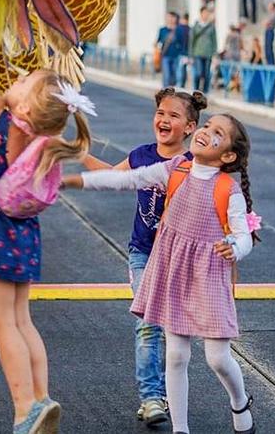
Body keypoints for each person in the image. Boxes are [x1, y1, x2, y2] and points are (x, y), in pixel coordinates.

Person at [0, 0, 92, 434]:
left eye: (29, 81)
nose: (22, 77)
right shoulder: (44, 147)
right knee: (23, 320)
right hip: (22, 241)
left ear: (27, 107)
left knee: (1, 326)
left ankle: (24, 409)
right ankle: (42, 396)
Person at [65, 113, 258, 434]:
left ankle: (240, 403)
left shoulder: (228, 190)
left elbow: (243, 235)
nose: (207, 131)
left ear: (227, 155)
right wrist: (77, 181)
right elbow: (128, 179)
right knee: (177, 354)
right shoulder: (175, 170)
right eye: (207, 125)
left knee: (218, 358)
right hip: (173, 272)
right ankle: (180, 429)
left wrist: (235, 248)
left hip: (208, 276)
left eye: (218, 133)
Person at [81, 88, 204, 427]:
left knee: (175, 330)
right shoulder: (141, 155)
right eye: (161, 113)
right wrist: (80, 154)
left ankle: (166, 392)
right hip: (144, 252)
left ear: (190, 127)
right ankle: (151, 397)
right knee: (148, 326)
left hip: (180, 256)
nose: (164, 120)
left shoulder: (195, 165)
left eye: (173, 116)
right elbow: (113, 177)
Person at [189, 7, 216, 93]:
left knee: (207, 74)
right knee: (198, 73)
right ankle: (196, 90)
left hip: (208, 53)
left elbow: (214, 41)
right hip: (197, 53)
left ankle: (205, 91)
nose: (206, 15)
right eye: (204, 13)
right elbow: (191, 41)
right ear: (201, 14)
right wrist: (190, 54)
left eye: (207, 13)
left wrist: (215, 53)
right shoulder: (196, 26)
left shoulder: (211, 26)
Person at [156, 12, 182, 88]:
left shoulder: (179, 30)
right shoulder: (162, 30)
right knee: (166, 75)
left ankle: (171, 90)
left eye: (172, 17)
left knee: (174, 76)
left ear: (175, 19)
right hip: (165, 55)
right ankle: (165, 91)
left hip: (176, 56)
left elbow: (182, 42)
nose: (170, 19)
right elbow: (158, 41)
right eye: (168, 17)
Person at [175, 13, 191, 88]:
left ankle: (180, 85)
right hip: (187, 52)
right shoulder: (190, 29)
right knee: (183, 69)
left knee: (180, 69)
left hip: (180, 52)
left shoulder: (178, 28)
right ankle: (182, 84)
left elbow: (176, 40)